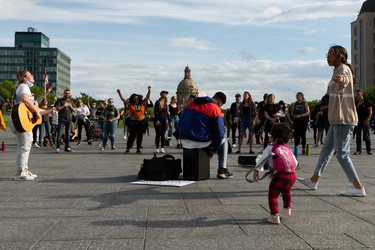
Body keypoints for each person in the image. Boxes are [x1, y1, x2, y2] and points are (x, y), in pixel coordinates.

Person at [298, 45, 366, 197]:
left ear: (339, 56)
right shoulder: (336, 70)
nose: (327, 56)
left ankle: (358, 187)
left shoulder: (343, 69)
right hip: (336, 119)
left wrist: (341, 80)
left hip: (344, 119)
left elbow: (344, 80)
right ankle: (314, 180)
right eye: (327, 53)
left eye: (330, 54)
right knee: (326, 150)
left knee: (342, 154)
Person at [178, 91, 233, 179]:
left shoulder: (190, 104)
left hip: (184, 140)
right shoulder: (215, 108)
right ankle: (222, 169)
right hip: (198, 140)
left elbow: (180, 121)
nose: (219, 107)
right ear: (219, 101)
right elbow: (220, 133)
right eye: (220, 105)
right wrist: (214, 149)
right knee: (224, 138)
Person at [12, 70, 54, 180]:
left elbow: (33, 107)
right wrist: (36, 112)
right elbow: (25, 100)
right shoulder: (24, 86)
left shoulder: (23, 87)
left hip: (22, 120)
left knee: (26, 145)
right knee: (24, 146)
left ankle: (24, 169)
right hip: (21, 120)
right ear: (24, 78)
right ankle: (21, 172)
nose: (33, 76)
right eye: (30, 75)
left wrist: (49, 111)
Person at [252, 123, 297, 224]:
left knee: (273, 195)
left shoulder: (270, 148)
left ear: (275, 138)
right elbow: (295, 162)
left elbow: (262, 159)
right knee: (286, 190)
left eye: (270, 136)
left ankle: (274, 216)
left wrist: (256, 170)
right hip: (292, 175)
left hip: (279, 175)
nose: (269, 138)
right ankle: (287, 208)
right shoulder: (287, 148)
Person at [117, 86, 151, 154]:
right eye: (135, 98)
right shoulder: (130, 104)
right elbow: (123, 99)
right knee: (131, 136)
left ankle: (138, 149)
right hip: (133, 122)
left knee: (140, 136)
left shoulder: (142, 104)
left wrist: (149, 90)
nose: (136, 98)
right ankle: (128, 149)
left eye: (137, 97)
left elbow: (147, 97)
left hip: (141, 122)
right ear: (132, 98)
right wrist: (119, 93)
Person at [54, 88, 76, 153]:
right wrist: (64, 105)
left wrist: (70, 106)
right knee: (60, 134)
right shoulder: (59, 100)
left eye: (68, 93)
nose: (67, 94)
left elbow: (74, 110)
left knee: (68, 134)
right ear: (64, 93)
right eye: (66, 93)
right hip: (61, 119)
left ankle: (67, 147)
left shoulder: (71, 100)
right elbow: (57, 109)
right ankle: (58, 147)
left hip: (69, 119)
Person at [354, 89, 372, 155]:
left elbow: (370, 111)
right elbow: (354, 111)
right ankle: (358, 150)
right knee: (358, 136)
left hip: (365, 121)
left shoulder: (366, 102)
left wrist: (367, 119)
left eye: (358, 93)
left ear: (362, 94)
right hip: (357, 121)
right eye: (356, 94)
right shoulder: (355, 102)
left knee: (366, 136)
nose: (357, 95)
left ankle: (369, 150)